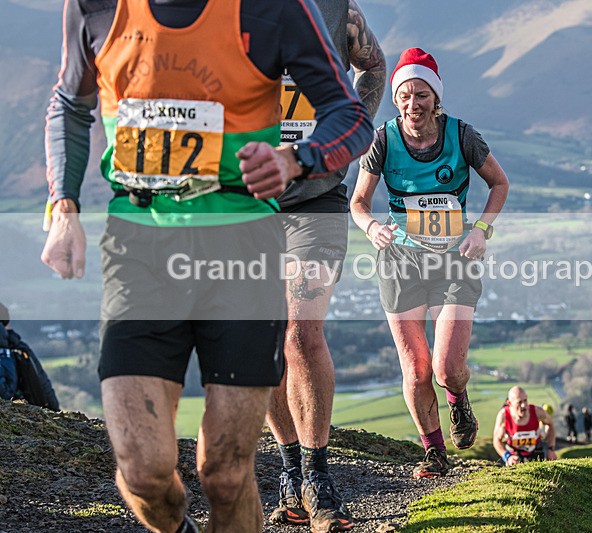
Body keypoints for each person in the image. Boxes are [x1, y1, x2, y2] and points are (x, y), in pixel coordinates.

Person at [40, 2, 372, 533]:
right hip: (140, 251)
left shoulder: (274, 9)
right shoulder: (95, 6)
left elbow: (350, 115)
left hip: (242, 253)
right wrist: (64, 206)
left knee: (224, 474)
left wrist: (296, 159)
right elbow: (70, 103)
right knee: (144, 472)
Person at [351, 47, 509, 478]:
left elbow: (499, 183)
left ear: (435, 98)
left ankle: (458, 400)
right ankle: (434, 454)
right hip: (401, 261)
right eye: (404, 95)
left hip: (454, 260)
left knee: (446, 368)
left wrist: (481, 230)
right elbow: (358, 203)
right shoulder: (383, 139)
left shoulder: (461, 136)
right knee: (417, 369)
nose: (412, 104)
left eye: (421, 95)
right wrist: (370, 229)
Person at [264, 0, 385, 529]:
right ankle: (290, 470)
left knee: (300, 332)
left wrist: (345, 135)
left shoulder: (338, 8)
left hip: (319, 197)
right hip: (248, 199)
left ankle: (318, 477)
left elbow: (375, 65)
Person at [0, 302, 59, 411]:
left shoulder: (14, 347)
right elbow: (43, 383)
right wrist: (54, 410)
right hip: (28, 411)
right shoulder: (18, 346)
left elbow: (5, 392)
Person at [493, 386, 557, 465]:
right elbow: (496, 440)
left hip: (536, 453)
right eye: (519, 402)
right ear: (509, 403)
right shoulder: (504, 416)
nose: (523, 405)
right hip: (515, 457)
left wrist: (551, 449)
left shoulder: (537, 412)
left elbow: (550, 424)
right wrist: (508, 456)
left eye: (525, 400)